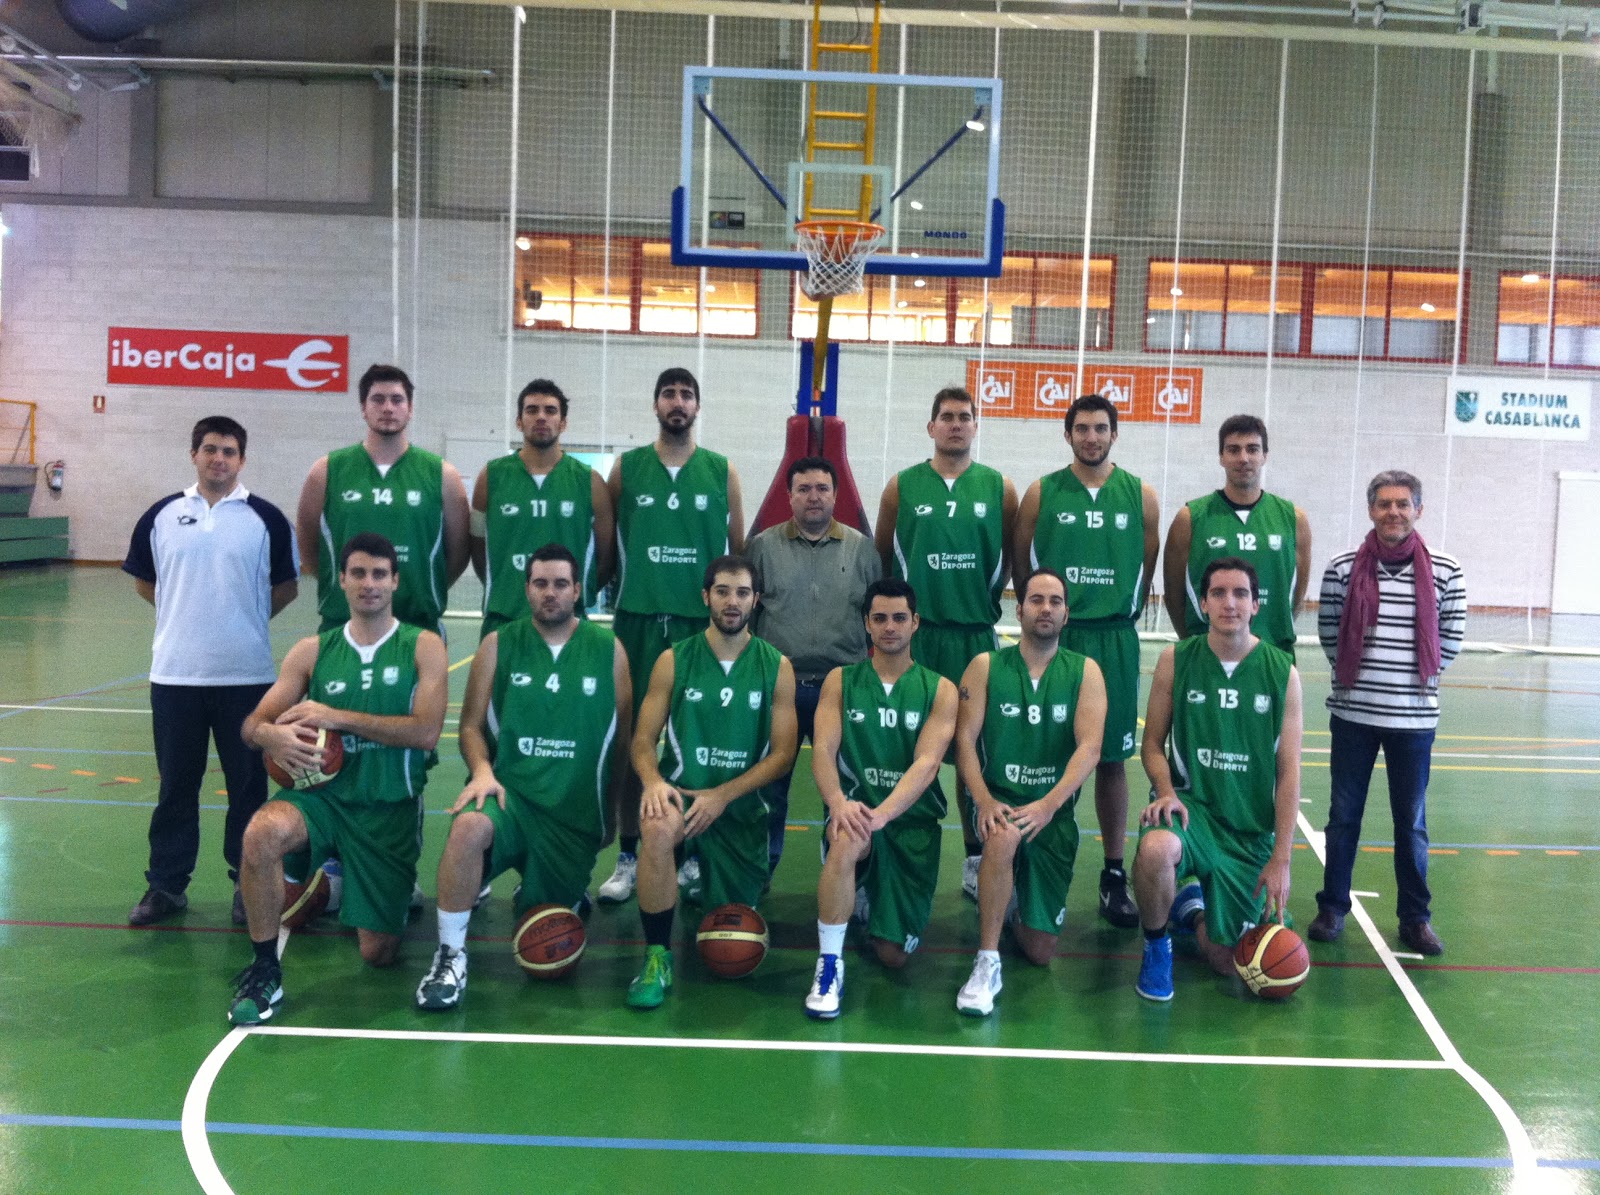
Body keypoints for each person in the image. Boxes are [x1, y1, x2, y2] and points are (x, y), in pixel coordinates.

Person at [226, 533, 448, 1025]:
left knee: (378, 953)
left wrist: (337, 716)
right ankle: (264, 968)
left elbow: (426, 733)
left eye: (379, 574)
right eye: (358, 574)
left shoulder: (423, 646)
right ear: (342, 581)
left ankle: (337, 881)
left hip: (387, 807)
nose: (369, 584)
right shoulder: (311, 651)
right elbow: (252, 723)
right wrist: (270, 736)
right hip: (321, 797)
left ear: (395, 581)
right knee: (261, 834)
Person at [416, 544, 632, 1010]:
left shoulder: (609, 650)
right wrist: (481, 771)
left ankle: (551, 888)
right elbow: (470, 726)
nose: (550, 593)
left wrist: (612, 813)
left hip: (572, 817)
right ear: (527, 589)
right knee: (468, 826)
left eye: (560, 584)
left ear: (578, 590)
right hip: (511, 799)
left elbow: (621, 741)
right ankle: (449, 955)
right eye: (540, 583)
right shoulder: (498, 644)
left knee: (545, 944)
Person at [122, 415, 299, 927]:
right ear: (194, 454)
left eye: (229, 451)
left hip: (247, 679)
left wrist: (242, 622)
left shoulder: (266, 519)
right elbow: (145, 583)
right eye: (210, 449)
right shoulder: (161, 515)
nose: (219, 458)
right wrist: (185, 618)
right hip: (175, 678)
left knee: (247, 787)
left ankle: (247, 884)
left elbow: (286, 588)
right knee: (176, 785)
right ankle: (166, 885)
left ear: (242, 459)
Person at [624, 555, 797, 1010]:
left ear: (756, 600)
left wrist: (723, 795)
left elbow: (783, 754)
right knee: (657, 827)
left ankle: (702, 876)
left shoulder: (776, 666)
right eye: (722, 591)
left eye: (742, 593)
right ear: (706, 597)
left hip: (740, 807)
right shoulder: (673, 660)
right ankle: (657, 956)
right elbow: (642, 740)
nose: (732, 601)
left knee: (730, 931)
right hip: (681, 795)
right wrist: (653, 782)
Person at [599, 368, 746, 905]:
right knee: (631, 743)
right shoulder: (627, 468)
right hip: (638, 620)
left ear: (697, 407)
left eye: (686, 394)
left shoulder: (722, 471)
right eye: (668, 394)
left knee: (698, 743)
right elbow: (607, 543)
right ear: (656, 404)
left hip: (697, 626)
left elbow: (736, 553)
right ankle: (629, 855)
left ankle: (690, 853)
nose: (677, 402)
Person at [1015, 393, 1159, 930]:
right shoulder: (1042, 492)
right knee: (1043, 751)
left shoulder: (1141, 495)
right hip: (1059, 638)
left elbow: (1146, 565)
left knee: (1111, 760)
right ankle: (1028, 860)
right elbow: (1023, 566)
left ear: (1114, 434)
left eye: (1101, 428)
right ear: (1068, 434)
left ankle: (1114, 874)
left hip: (1114, 637)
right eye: (1082, 428)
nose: (1091, 437)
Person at [1309, 471, 1466, 957]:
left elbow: (1449, 641)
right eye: (1384, 504)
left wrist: (1408, 680)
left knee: (1411, 823)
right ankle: (1333, 907)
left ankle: (1415, 919)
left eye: (1402, 504)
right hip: (1353, 716)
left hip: (1414, 722)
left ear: (1418, 510)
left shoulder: (1446, 571)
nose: (1393, 512)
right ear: (1371, 510)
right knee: (1342, 817)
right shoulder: (1341, 568)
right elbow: (1330, 634)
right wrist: (1360, 677)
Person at [1132, 557, 1302, 1002]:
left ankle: (1191, 907)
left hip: (1248, 832)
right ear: (1204, 603)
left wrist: (1281, 859)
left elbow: (1289, 774)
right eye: (1219, 593)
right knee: (1156, 848)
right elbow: (1151, 745)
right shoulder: (1175, 660)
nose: (1230, 603)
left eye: (1241, 593)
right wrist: (1166, 791)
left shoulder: (1282, 672)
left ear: (1256, 604)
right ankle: (1156, 947)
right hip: (1193, 813)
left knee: (1229, 962)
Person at [876, 385, 1018, 904]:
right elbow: (885, 557)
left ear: (975, 426)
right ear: (931, 427)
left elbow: (1011, 556)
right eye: (947, 417)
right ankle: (886, 853)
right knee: (904, 749)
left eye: (965, 417)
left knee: (972, 753)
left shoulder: (1000, 488)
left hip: (974, 637)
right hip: (918, 639)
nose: (956, 424)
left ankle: (976, 857)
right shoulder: (901, 486)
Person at [951, 568, 1106, 1017]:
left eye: (1055, 601)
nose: (1046, 608)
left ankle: (1010, 895)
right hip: (999, 801)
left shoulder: (1085, 671)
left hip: (1052, 814)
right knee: (1002, 837)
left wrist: (1047, 805)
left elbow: (1090, 747)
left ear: (1066, 614)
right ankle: (987, 962)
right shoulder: (985, 666)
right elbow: (964, 741)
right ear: (1018, 610)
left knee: (1039, 951)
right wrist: (982, 799)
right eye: (1036, 600)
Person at [804, 578, 958, 1019]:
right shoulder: (840, 681)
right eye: (880, 618)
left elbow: (927, 763)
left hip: (910, 825)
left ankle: (865, 895)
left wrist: (883, 815)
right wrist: (838, 802)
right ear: (867, 625)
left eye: (899, 618)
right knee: (846, 838)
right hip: (855, 812)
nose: (890, 627)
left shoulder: (940, 689)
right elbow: (823, 750)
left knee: (893, 956)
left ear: (915, 623)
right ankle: (829, 965)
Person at [747, 456, 882, 880]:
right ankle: (758, 877)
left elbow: (876, 616)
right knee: (769, 792)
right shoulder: (762, 547)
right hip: (780, 690)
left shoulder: (862, 549)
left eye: (822, 488)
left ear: (836, 495)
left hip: (841, 690)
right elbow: (749, 619)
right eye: (803, 489)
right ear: (788, 496)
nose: (813, 496)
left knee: (842, 794)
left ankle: (845, 879)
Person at [295, 363, 470, 636]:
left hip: (417, 625)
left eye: (397, 400)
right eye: (378, 399)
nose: (388, 408)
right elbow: (308, 543)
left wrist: (422, 586)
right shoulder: (327, 470)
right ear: (363, 408)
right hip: (342, 624)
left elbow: (459, 552)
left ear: (410, 409)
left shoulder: (442, 474)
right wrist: (344, 584)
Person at [472, 378, 615, 639]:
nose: (541, 417)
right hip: (504, 620)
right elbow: (477, 547)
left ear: (563, 423)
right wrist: (506, 588)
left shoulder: (590, 482)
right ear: (519, 421)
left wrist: (572, 594)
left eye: (550, 411)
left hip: (569, 624)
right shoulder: (490, 477)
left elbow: (606, 558)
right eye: (532, 410)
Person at [1162, 414, 1310, 656]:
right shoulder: (1190, 518)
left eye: (1252, 449)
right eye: (1233, 450)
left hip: (1273, 654)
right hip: (1207, 655)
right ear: (1221, 457)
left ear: (1264, 456)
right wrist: (1194, 643)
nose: (1243, 458)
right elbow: (1174, 596)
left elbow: (1296, 596)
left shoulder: (1294, 519)